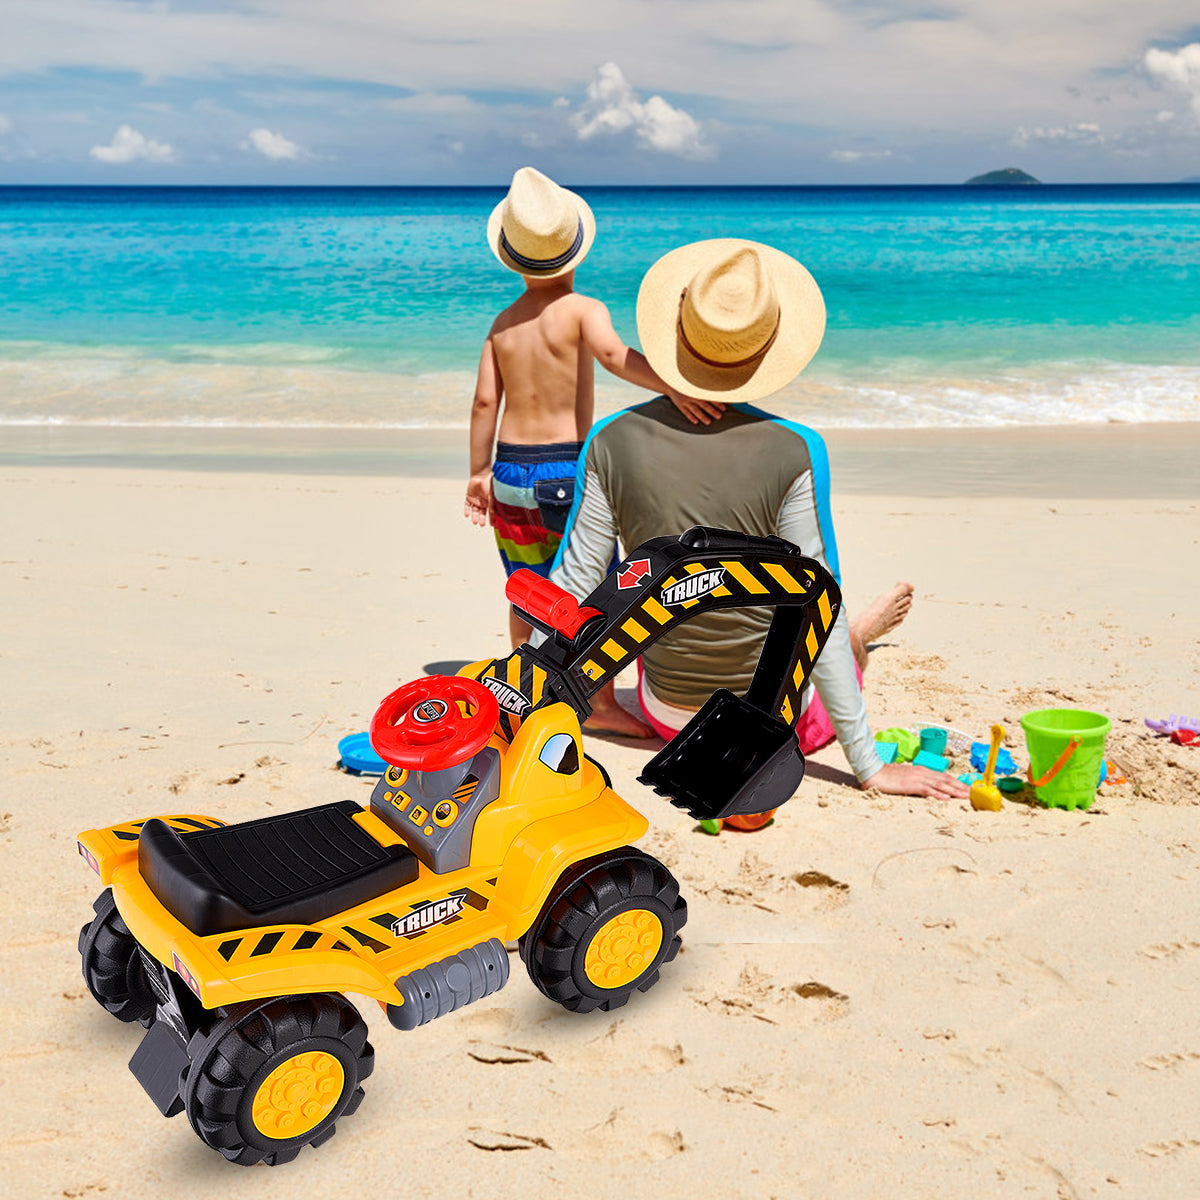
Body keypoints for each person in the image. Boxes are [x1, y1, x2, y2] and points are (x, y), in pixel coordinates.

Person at [545, 238, 969, 803]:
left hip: (665, 711)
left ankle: (859, 638)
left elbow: (573, 588)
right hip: (767, 724)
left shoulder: (609, 438)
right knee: (836, 635)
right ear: (766, 349)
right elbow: (819, 604)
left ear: (678, 335)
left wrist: (529, 707)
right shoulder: (796, 449)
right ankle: (865, 638)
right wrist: (870, 767)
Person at [464, 167, 720, 737]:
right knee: (593, 591)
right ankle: (599, 704)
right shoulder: (584, 310)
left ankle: (523, 694)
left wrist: (478, 472)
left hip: (508, 469)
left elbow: (485, 403)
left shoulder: (501, 325)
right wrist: (673, 385)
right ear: (574, 252)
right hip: (563, 467)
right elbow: (613, 356)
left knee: (527, 586)